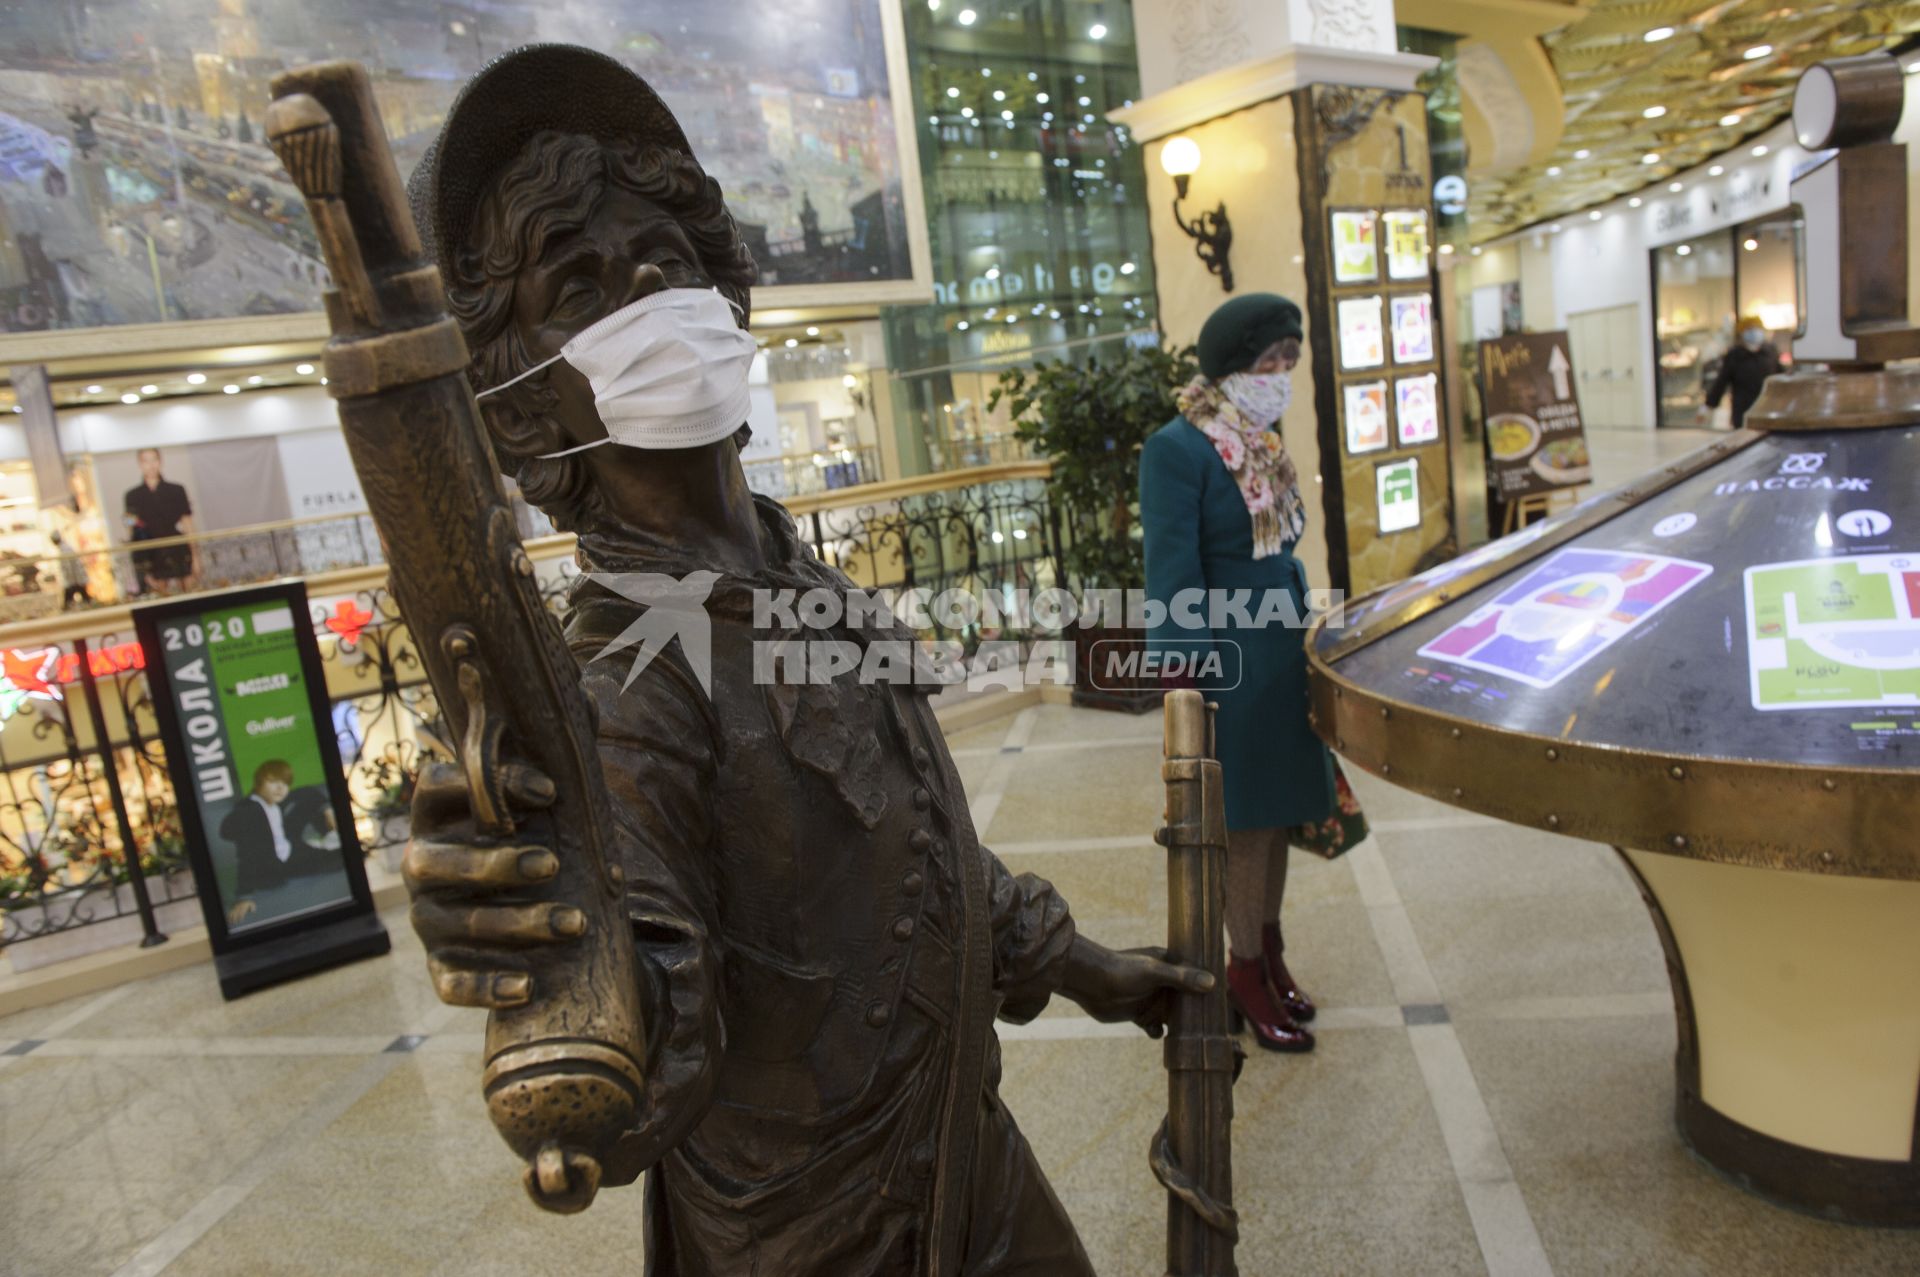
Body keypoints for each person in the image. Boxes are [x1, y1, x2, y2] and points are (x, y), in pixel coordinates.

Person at [400, 44, 1207, 1276]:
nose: (647, 292)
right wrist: (559, 960)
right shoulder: (626, 687)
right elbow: (639, 1059)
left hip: (958, 1150)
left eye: (661, 257)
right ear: (522, 405)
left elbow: (903, 840)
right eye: (582, 287)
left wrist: (1084, 965)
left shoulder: (789, 579)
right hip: (815, 1234)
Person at [1139, 293, 1342, 1054]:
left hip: (1282, 647)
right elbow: (1170, 572)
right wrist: (1181, 678)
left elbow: (1280, 547)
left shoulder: (1256, 437)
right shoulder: (1179, 447)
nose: (1282, 374)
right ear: (1233, 365)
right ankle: (1243, 972)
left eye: (1290, 360)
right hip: (1229, 658)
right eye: (1270, 361)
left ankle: (1268, 951)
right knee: (1247, 821)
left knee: (1281, 811)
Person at [122, 447, 200, 593]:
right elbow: (130, 528)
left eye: (154, 460)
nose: (151, 465)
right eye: (146, 461)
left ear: (160, 462)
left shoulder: (176, 490)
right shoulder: (132, 496)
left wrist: (196, 557)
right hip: (151, 551)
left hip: (177, 546)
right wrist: (140, 564)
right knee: (159, 593)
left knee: (189, 590)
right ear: (140, 464)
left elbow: (187, 523)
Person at [1704, 316, 1783, 430]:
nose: (1754, 332)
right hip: (1743, 411)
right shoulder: (1734, 355)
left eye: (1757, 328)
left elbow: (1781, 375)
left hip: (1768, 409)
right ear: (1741, 333)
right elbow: (1722, 381)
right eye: (1750, 329)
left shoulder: (1770, 351)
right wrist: (1709, 405)